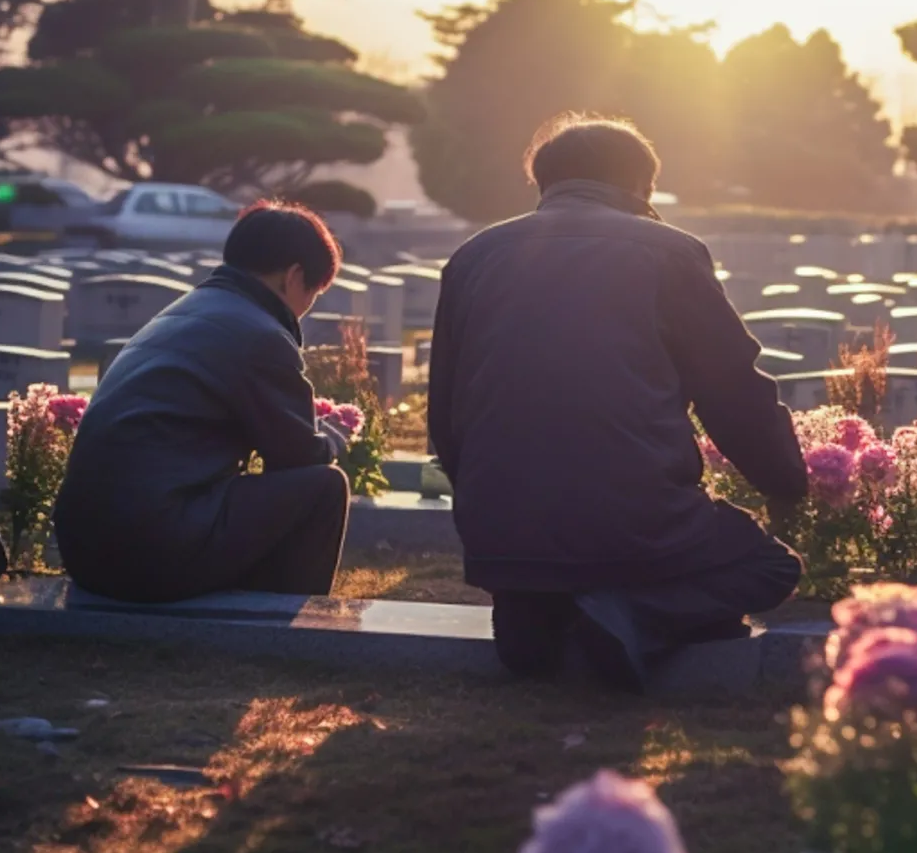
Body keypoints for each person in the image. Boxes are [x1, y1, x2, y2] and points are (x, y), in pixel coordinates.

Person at [426, 113, 808, 691]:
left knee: (530, 654)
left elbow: (448, 410)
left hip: (505, 532)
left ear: (543, 182)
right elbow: (732, 390)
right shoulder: (669, 252)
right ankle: (633, 615)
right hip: (639, 519)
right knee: (769, 566)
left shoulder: (475, 257)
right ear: (641, 186)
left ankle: (571, 615)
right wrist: (786, 482)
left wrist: (490, 506)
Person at [54, 202, 352, 602]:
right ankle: (283, 620)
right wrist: (334, 438)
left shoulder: (181, 312)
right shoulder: (260, 334)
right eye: (313, 292)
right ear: (294, 276)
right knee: (325, 487)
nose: (306, 308)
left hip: (85, 551)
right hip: (149, 551)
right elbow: (300, 457)